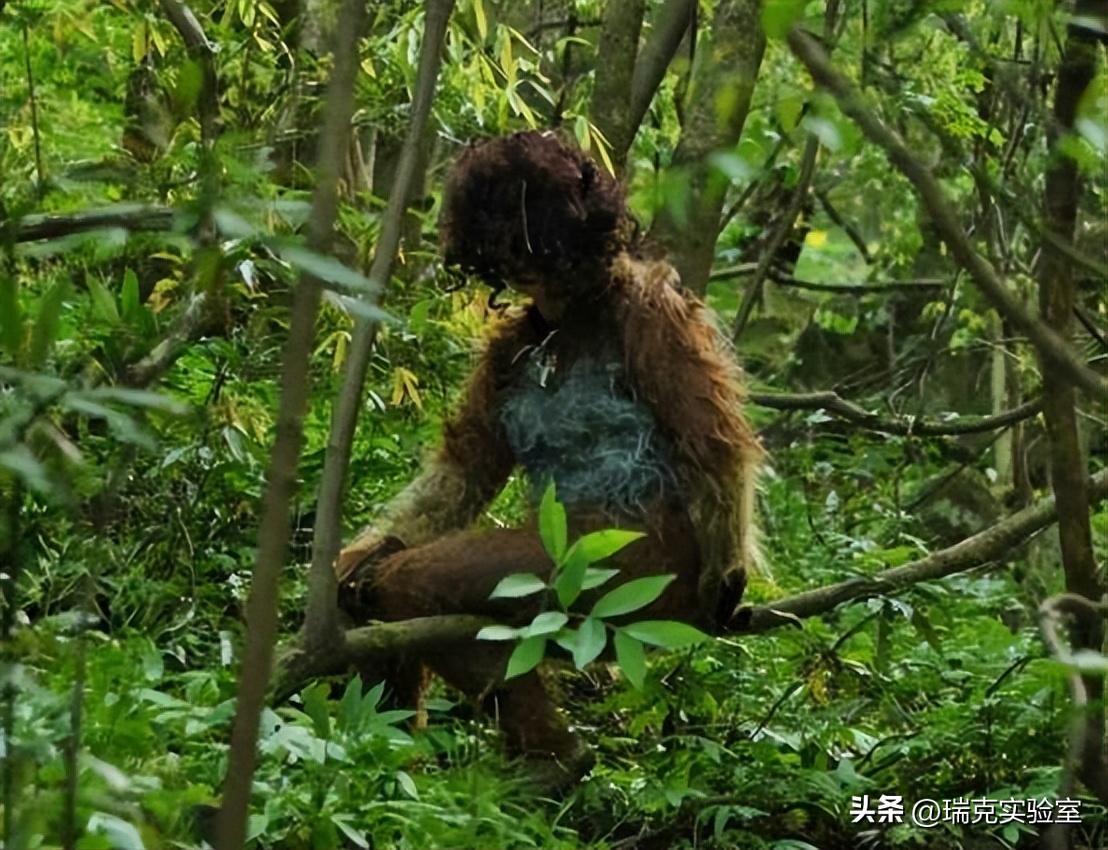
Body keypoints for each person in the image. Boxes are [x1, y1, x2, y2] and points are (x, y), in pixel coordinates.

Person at [335, 130, 763, 787]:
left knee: (407, 582)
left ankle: (543, 748)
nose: (531, 282)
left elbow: (722, 455)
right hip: (563, 555)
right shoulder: (516, 348)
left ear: (584, 241)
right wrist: (378, 541)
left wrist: (725, 573)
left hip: (650, 553)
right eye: (512, 265)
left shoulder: (648, 313)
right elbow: (460, 474)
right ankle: (382, 768)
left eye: (543, 261)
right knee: (367, 577)